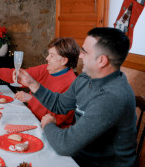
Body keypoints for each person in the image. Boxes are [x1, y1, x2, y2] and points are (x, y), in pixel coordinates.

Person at [15, 28, 137, 166]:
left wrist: (48, 124)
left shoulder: (112, 97)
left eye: (85, 52)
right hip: (78, 154)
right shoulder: (85, 78)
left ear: (101, 60)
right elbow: (60, 104)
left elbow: (65, 145)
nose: (80, 56)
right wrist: (33, 84)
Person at [0, 37, 80, 128]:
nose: (47, 58)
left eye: (52, 56)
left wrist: (31, 99)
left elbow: (54, 119)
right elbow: (20, 76)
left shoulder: (71, 84)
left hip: (50, 130)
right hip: (32, 117)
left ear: (63, 60)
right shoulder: (46, 69)